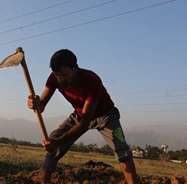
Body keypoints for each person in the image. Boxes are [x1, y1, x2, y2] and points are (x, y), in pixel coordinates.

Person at [27, 49, 138, 184]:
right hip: (79, 114)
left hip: (105, 115)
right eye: (57, 75)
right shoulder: (54, 78)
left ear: (75, 68)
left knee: (122, 151)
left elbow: (85, 123)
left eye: (64, 74)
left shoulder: (92, 81)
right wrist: (35, 104)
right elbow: (41, 107)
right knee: (52, 142)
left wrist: (58, 142)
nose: (61, 79)